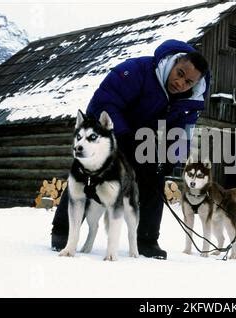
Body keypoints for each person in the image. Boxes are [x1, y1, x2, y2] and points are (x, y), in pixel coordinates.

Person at [51, 39, 210, 259]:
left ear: (196, 84)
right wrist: (122, 135)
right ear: (173, 63)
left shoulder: (191, 102)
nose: (181, 83)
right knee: (84, 175)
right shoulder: (137, 70)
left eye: (189, 81)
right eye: (180, 73)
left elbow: (182, 134)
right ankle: (63, 230)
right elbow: (105, 101)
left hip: (144, 138)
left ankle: (146, 239)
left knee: (154, 179)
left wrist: (170, 160)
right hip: (109, 130)